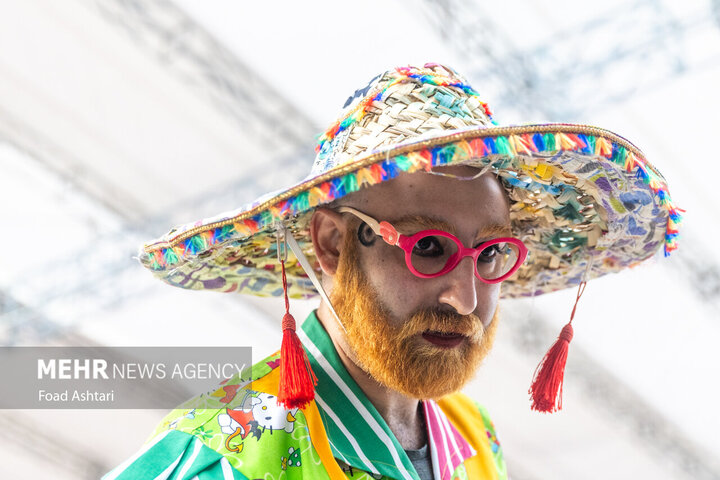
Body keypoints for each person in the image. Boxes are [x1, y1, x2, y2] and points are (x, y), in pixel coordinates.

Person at [103, 64, 680, 479]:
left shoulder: (472, 437)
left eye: (490, 254)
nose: (464, 298)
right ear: (331, 243)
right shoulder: (226, 458)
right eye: (429, 247)